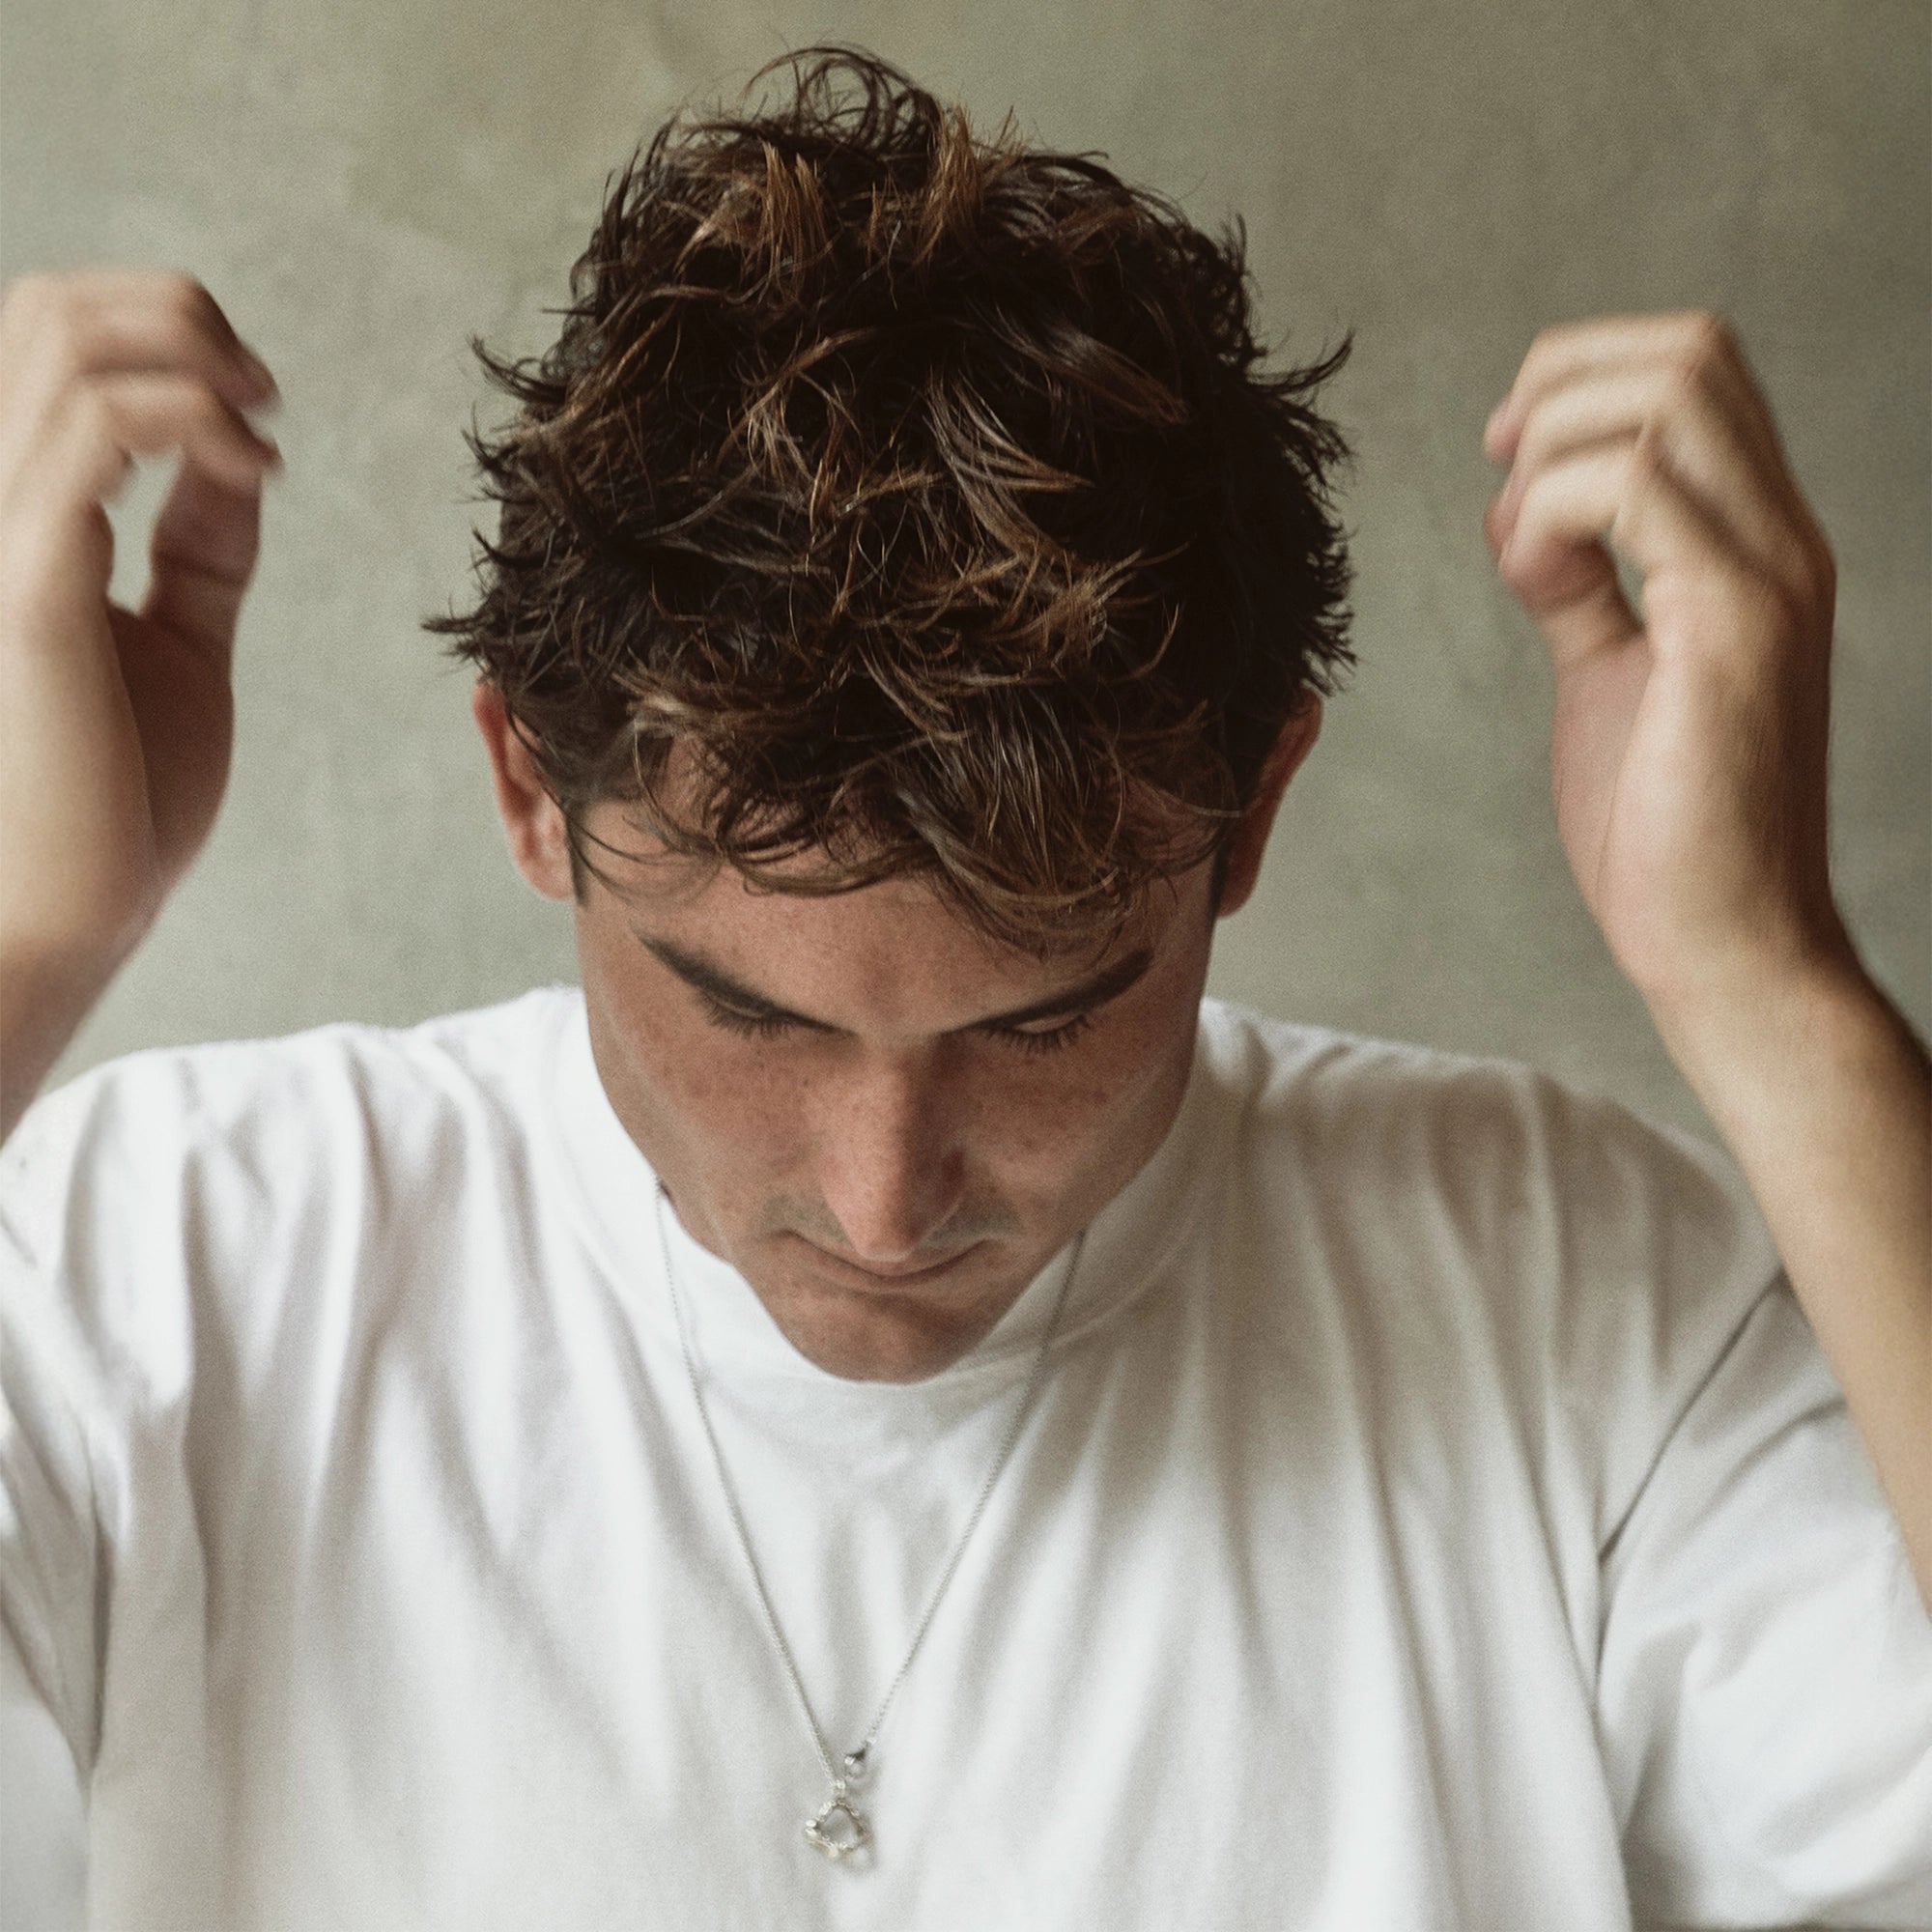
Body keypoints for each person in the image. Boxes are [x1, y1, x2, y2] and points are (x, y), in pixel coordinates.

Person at [1, 46, 1926, 1932]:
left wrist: (1771, 990)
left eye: (1041, 1021)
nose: (885, 1196)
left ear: (1251, 816)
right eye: (751, 1016)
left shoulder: (1563, 1293)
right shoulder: (159, 1268)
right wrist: (23, 949)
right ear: (530, 791)